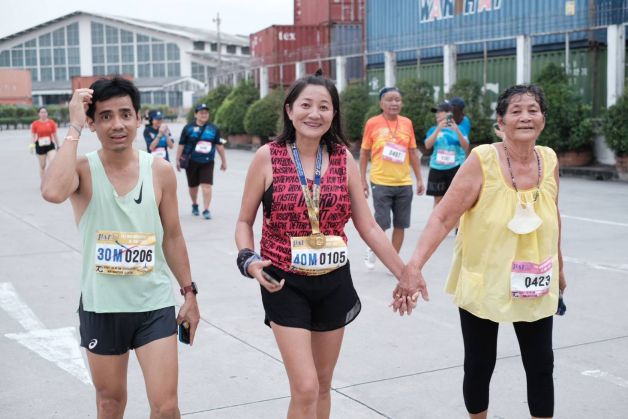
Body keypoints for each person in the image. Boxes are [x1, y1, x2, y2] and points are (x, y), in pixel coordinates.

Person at [235, 72, 427, 419]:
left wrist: (405, 273)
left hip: (333, 281)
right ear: (289, 110)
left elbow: (368, 225)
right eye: (306, 105)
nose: (315, 113)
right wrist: (248, 260)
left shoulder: (342, 158)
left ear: (334, 114)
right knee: (305, 387)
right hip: (283, 281)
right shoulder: (268, 156)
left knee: (323, 384)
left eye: (324, 107)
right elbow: (244, 222)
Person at [396, 84, 567, 419]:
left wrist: (559, 266)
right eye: (516, 111)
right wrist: (413, 266)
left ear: (543, 120)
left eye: (533, 110)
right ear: (500, 123)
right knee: (479, 363)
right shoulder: (483, 160)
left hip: (534, 278)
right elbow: (443, 217)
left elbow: (553, 214)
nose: (526, 117)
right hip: (484, 278)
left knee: (541, 364)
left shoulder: (549, 159)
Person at [41, 77, 200, 419]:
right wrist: (73, 126)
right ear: (93, 123)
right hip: (102, 307)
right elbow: (52, 192)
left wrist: (189, 293)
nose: (117, 124)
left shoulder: (159, 171)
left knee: (167, 407)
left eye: (125, 114)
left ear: (138, 118)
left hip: (153, 305)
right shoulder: (83, 170)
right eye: (106, 116)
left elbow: (172, 236)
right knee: (110, 404)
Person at [359, 87, 425, 270]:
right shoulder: (372, 123)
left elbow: (413, 152)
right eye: (390, 99)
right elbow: (364, 153)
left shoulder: (407, 123)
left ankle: (393, 263)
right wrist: (362, 180)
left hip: (404, 183)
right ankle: (372, 248)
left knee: (400, 224)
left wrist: (419, 178)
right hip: (380, 181)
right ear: (381, 103)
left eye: (397, 99)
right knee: (381, 223)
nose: (394, 103)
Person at [176, 103, 227, 220]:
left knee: (207, 186)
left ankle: (206, 209)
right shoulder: (188, 128)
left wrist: (224, 161)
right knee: (193, 186)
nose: (204, 115)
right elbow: (181, 144)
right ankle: (195, 204)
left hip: (208, 161)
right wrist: (177, 159)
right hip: (191, 161)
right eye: (201, 112)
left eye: (206, 113)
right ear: (195, 114)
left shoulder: (213, 129)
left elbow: (219, 145)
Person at [423, 100, 470, 208]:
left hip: (454, 168)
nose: (438, 115)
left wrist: (457, 130)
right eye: (436, 114)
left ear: (449, 114)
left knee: (455, 199)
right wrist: (438, 129)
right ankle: (437, 219)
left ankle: (455, 220)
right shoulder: (433, 129)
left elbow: (465, 146)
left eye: (440, 112)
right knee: (438, 200)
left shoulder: (460, 129)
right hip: (436, 168)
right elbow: (427, 145)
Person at [31, 106, 60, 180]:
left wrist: (58, 145)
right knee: (42, 166)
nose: (43, 114)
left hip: (50, 145)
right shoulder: (35, 123)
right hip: (40, 146)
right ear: (39, 114)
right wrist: (32, 145)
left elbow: (55, 135)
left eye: (45, 112)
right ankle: (43, 181)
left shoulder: (51, 122)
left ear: (47, 113)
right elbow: (33, 136)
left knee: (53, 162)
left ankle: (52, 180)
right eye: (41, 112)